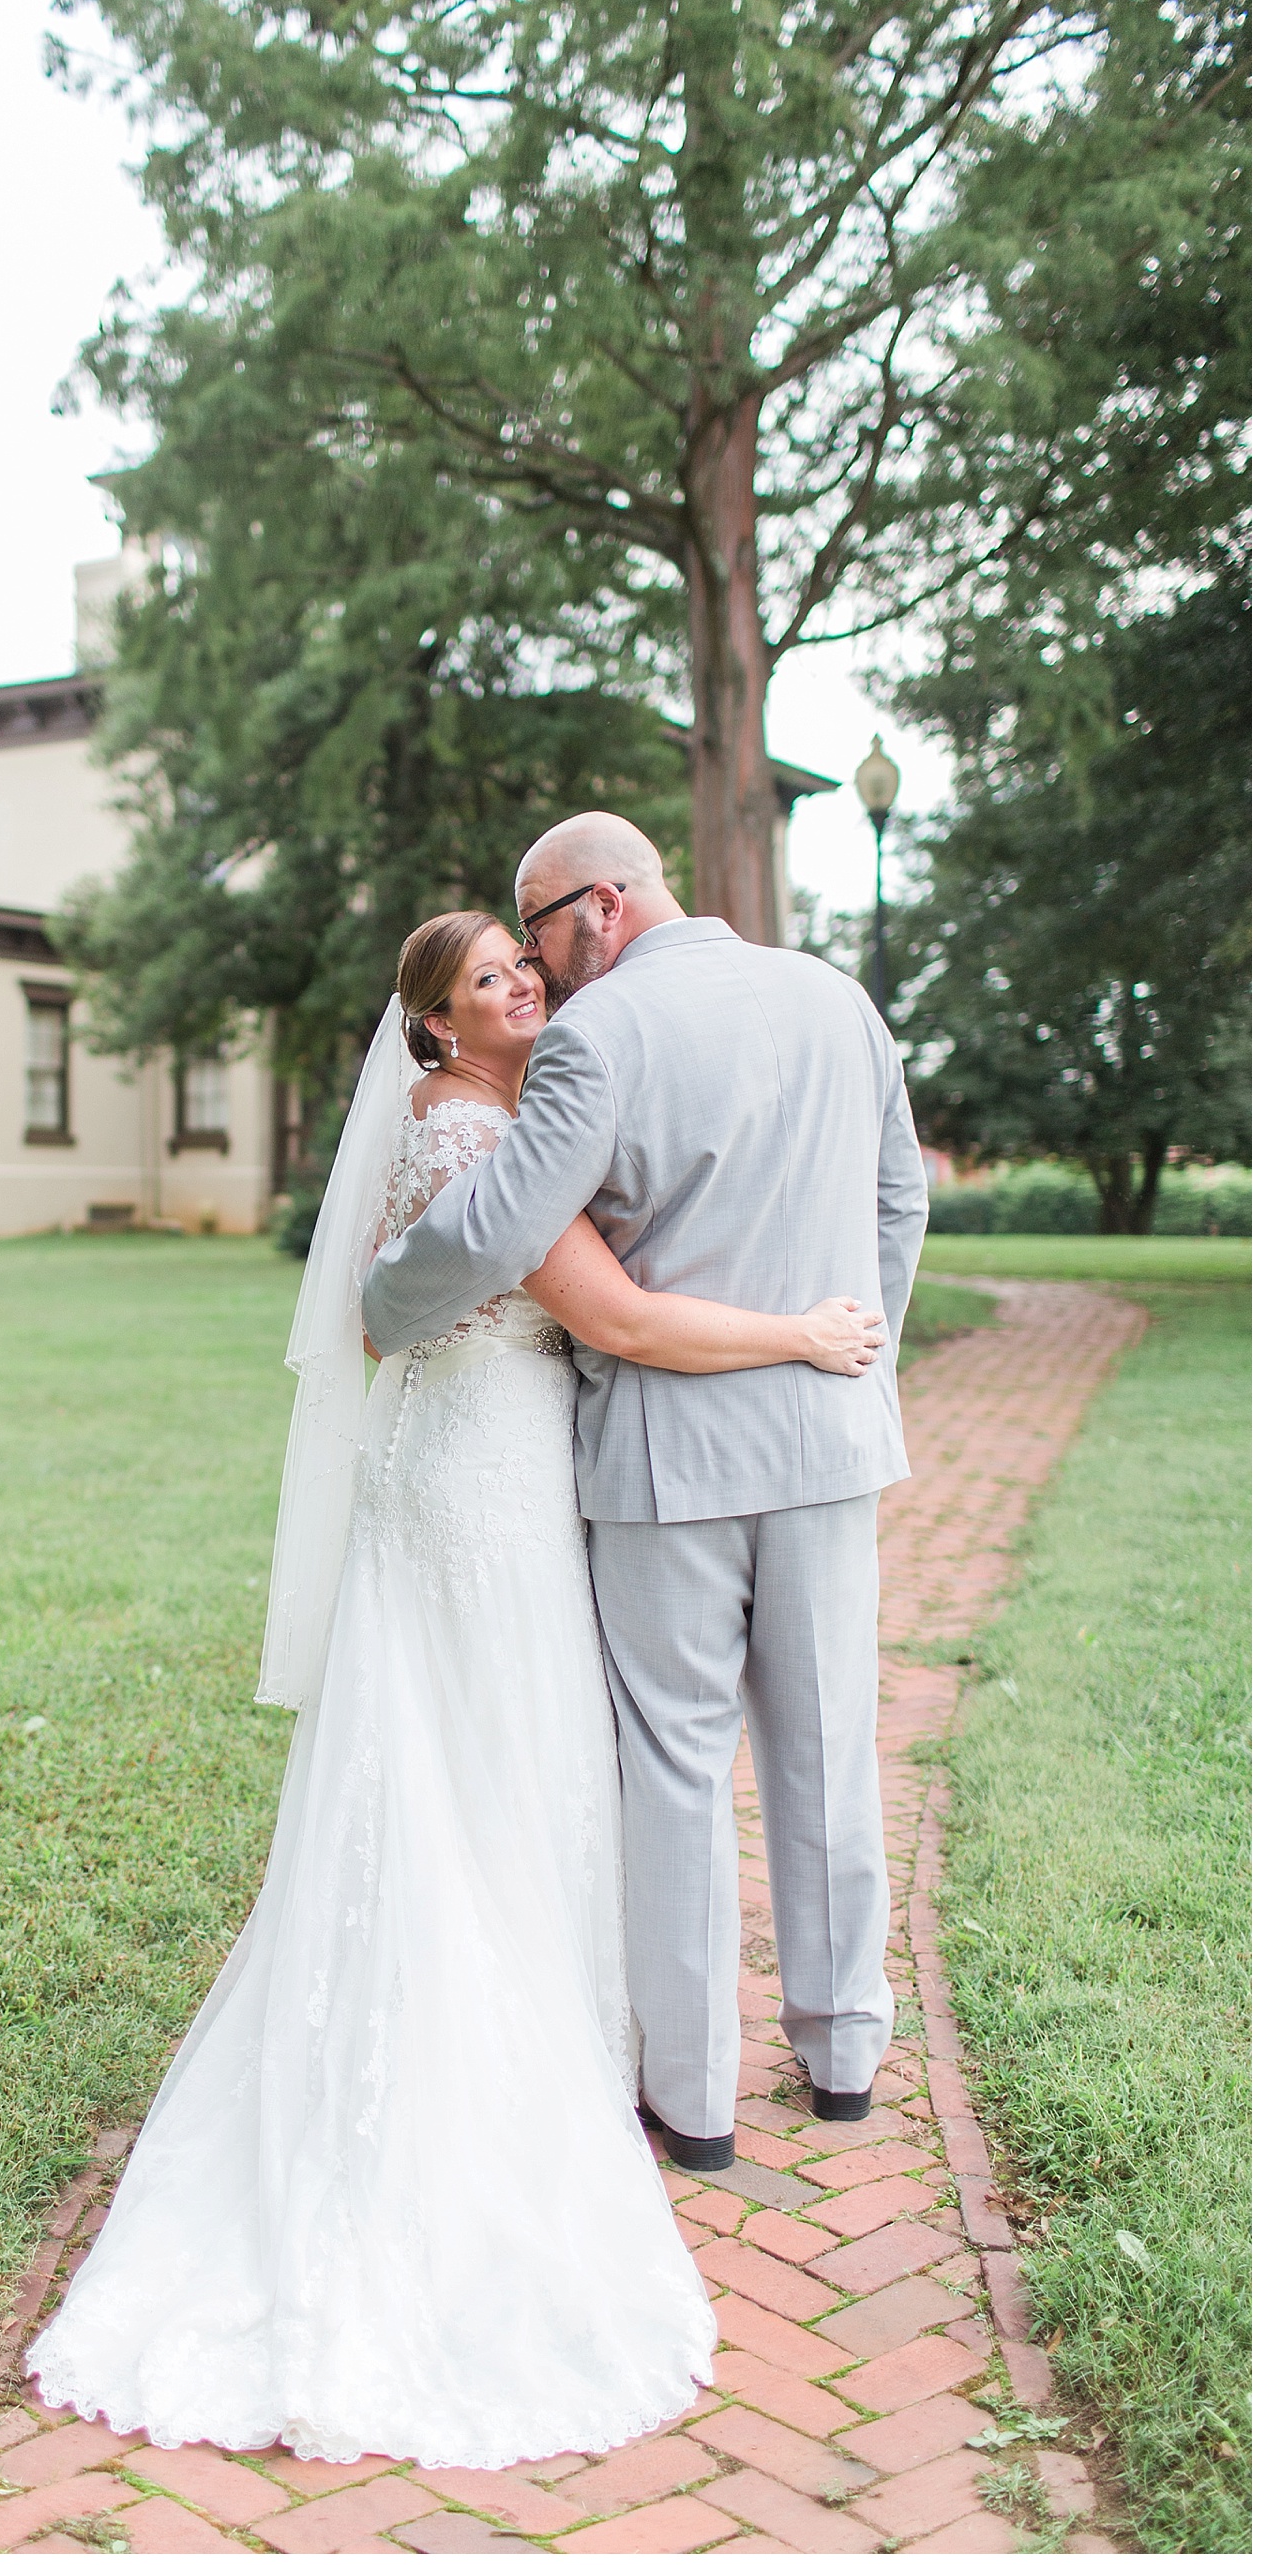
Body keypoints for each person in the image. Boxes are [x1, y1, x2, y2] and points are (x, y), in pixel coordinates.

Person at [27, 907, 891, 2465]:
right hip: (485, 1486)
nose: (528, 986)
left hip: (463, 1468)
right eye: (494, 977)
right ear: (434, 1026)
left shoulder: (465, 1122)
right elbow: (615, 1314)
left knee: (470, 1757)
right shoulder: (482, 1138)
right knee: (500, 1762)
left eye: (527, 966)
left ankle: (560, 2023)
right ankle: (504, 2063)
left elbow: (407, 1301)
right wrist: (805, 1327)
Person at [365, 817, 931, 2171]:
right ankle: (844, 2051)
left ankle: (693, 2098)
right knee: (827, 1748)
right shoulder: (838, 1001)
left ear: (602, 906)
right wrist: (852, 1362)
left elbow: (504, 1227)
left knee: (676, 1773)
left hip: (665, 1462)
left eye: (543, 930)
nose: (545, 971)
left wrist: (377, 1296)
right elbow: (898, 1200)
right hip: (820, 1443)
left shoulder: (601, 1038)